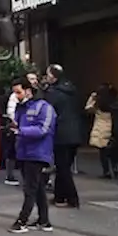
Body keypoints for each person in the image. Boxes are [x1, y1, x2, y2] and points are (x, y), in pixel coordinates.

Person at [9, 77, 55, 233]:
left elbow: (44, 129)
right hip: (25, 151)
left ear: (28, 90)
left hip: (37, 153)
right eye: (15, 93)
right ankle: (44, 221)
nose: (17, 96)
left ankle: (22, 221)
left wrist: (21, 131)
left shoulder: (44, 107)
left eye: (19, 92)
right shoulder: (22, 107)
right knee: (38, 187)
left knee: (30, 188)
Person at [42, 64, 81, 208]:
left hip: (61, 134)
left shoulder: (53, 93)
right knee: (64, 165)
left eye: (48, 74)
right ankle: (59, 195)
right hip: (75, 132)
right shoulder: (71, 90)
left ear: (53, 76)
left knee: (63, 167)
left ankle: (72, 198)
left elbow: (48, 110)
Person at [85, 84, 116, 179]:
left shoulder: (98, 103)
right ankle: (115, 168)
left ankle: (106, 171)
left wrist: (92, 97)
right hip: (111, 126)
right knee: (113, 150)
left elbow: (88, 108)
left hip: (101, 128)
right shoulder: (113, 102)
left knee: (103, 152)